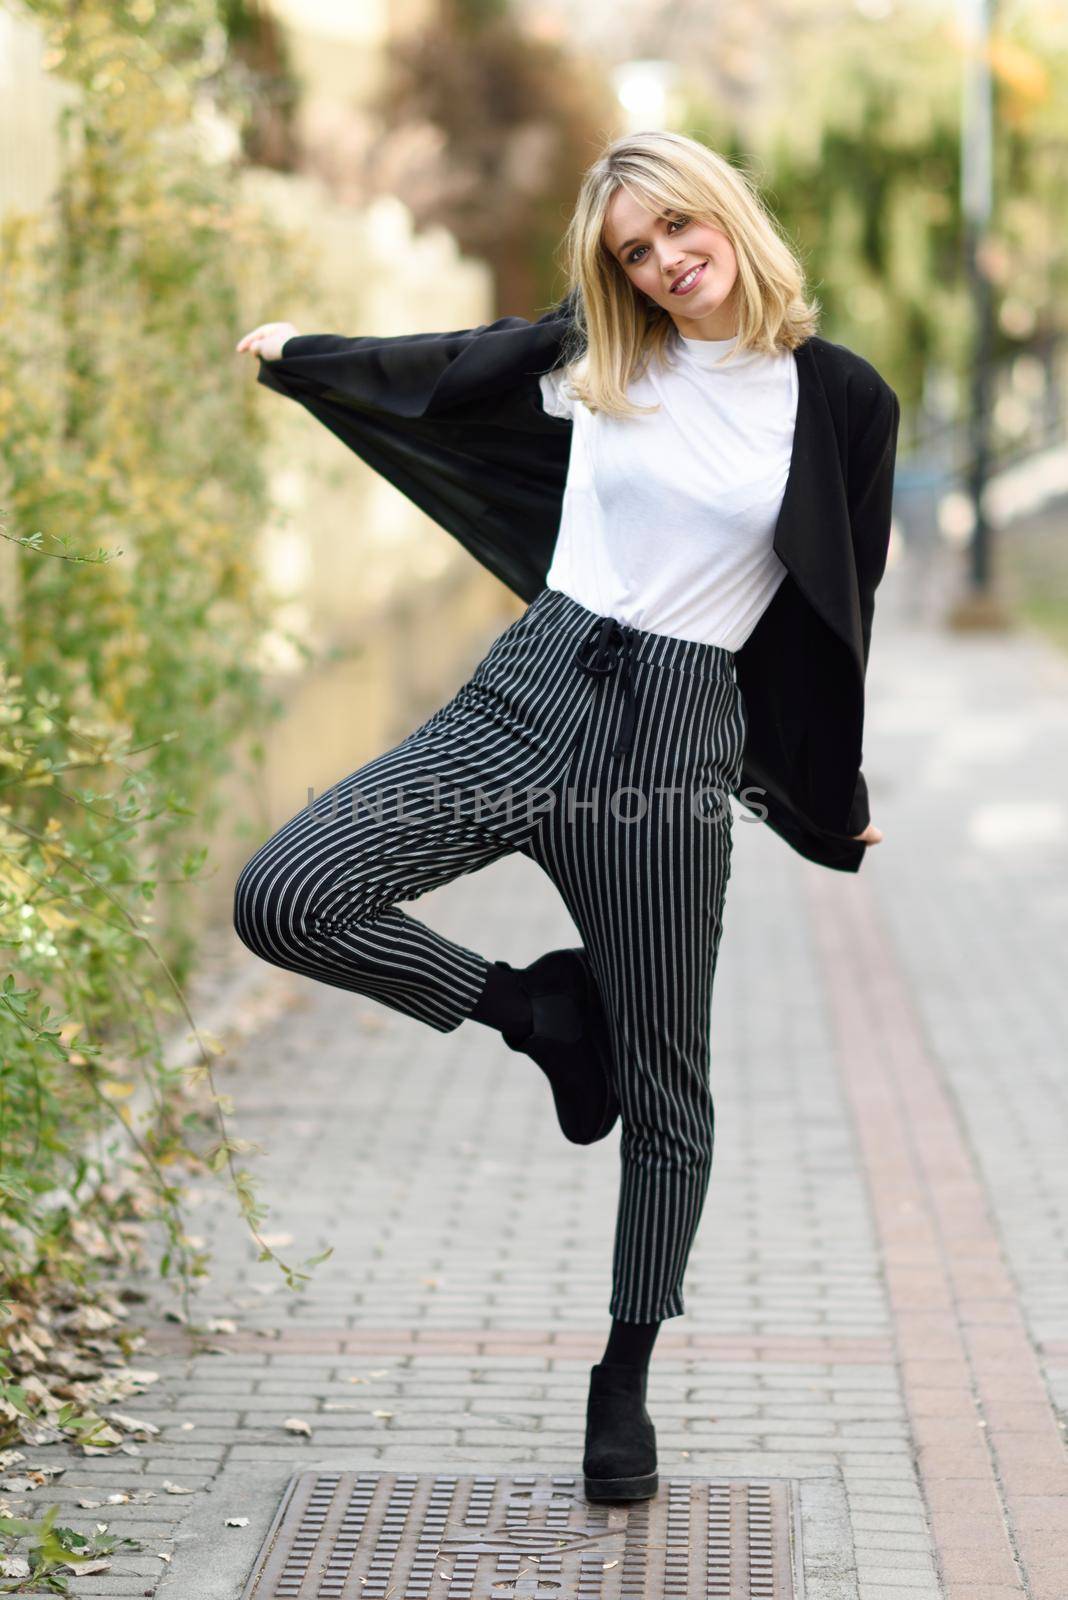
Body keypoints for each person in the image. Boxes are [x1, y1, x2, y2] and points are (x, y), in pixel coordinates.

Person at [232, 129, 900, 1504]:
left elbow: (839, 612)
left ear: (726, 209)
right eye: (635, 253)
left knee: (667, 1085)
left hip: (674, 736)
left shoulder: (839, 401)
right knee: (288, 894)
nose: (664, 265)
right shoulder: (600, 360)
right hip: (532, 687)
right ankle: (538, 1013)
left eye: (676, 232)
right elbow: (445, 368)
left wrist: (828, 799)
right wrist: (306, 356)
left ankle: (624, 1377)